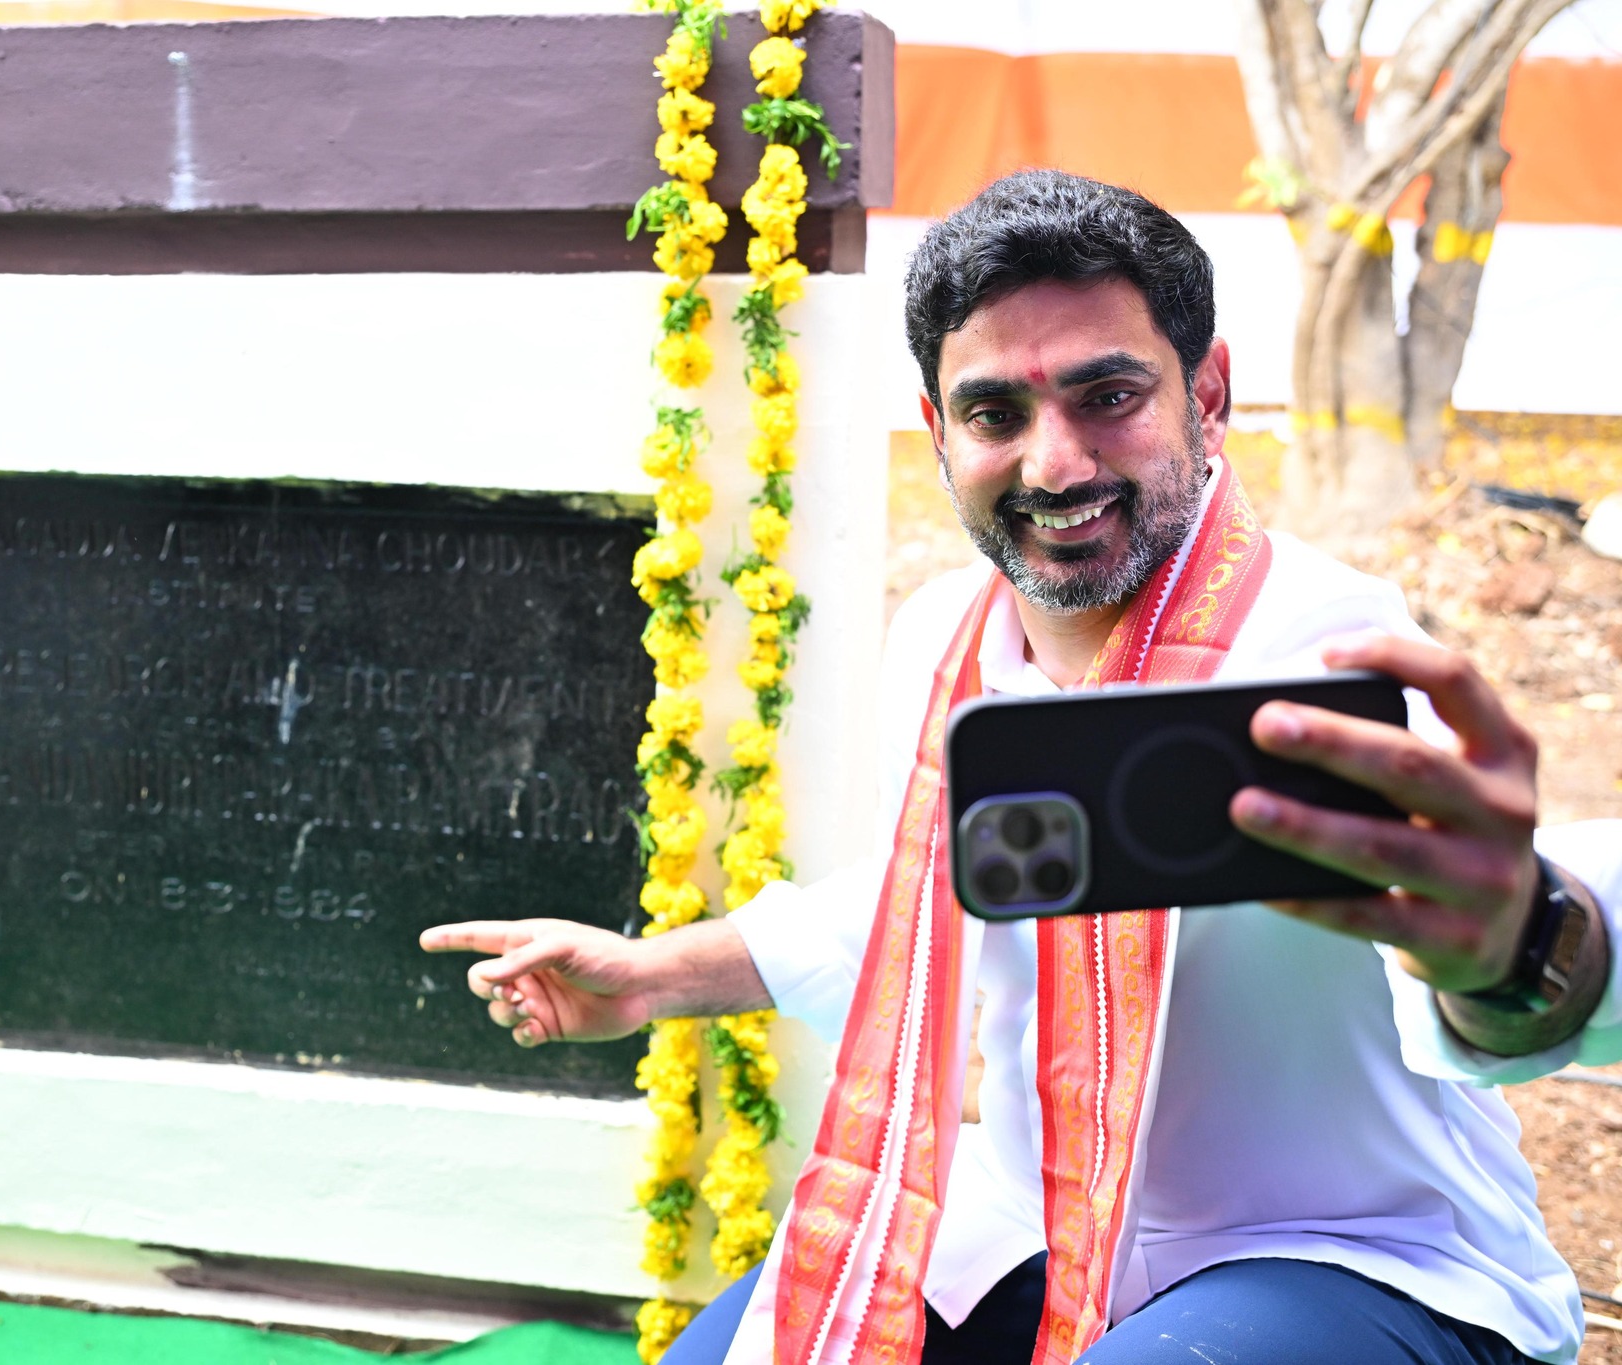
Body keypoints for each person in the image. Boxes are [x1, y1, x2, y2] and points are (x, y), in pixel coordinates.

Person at [421, 171, 1622, 1365]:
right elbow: (934, 893)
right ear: (939, 432)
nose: (1054, 465)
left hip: (1351, 1251)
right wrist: (651, 976)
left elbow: (1460, 909)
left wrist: (1522, 948)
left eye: (1108, 397)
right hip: (1035, 1220)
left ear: (1206, 393)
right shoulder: (942, 639)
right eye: (996, 414)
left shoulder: (1322, 647)